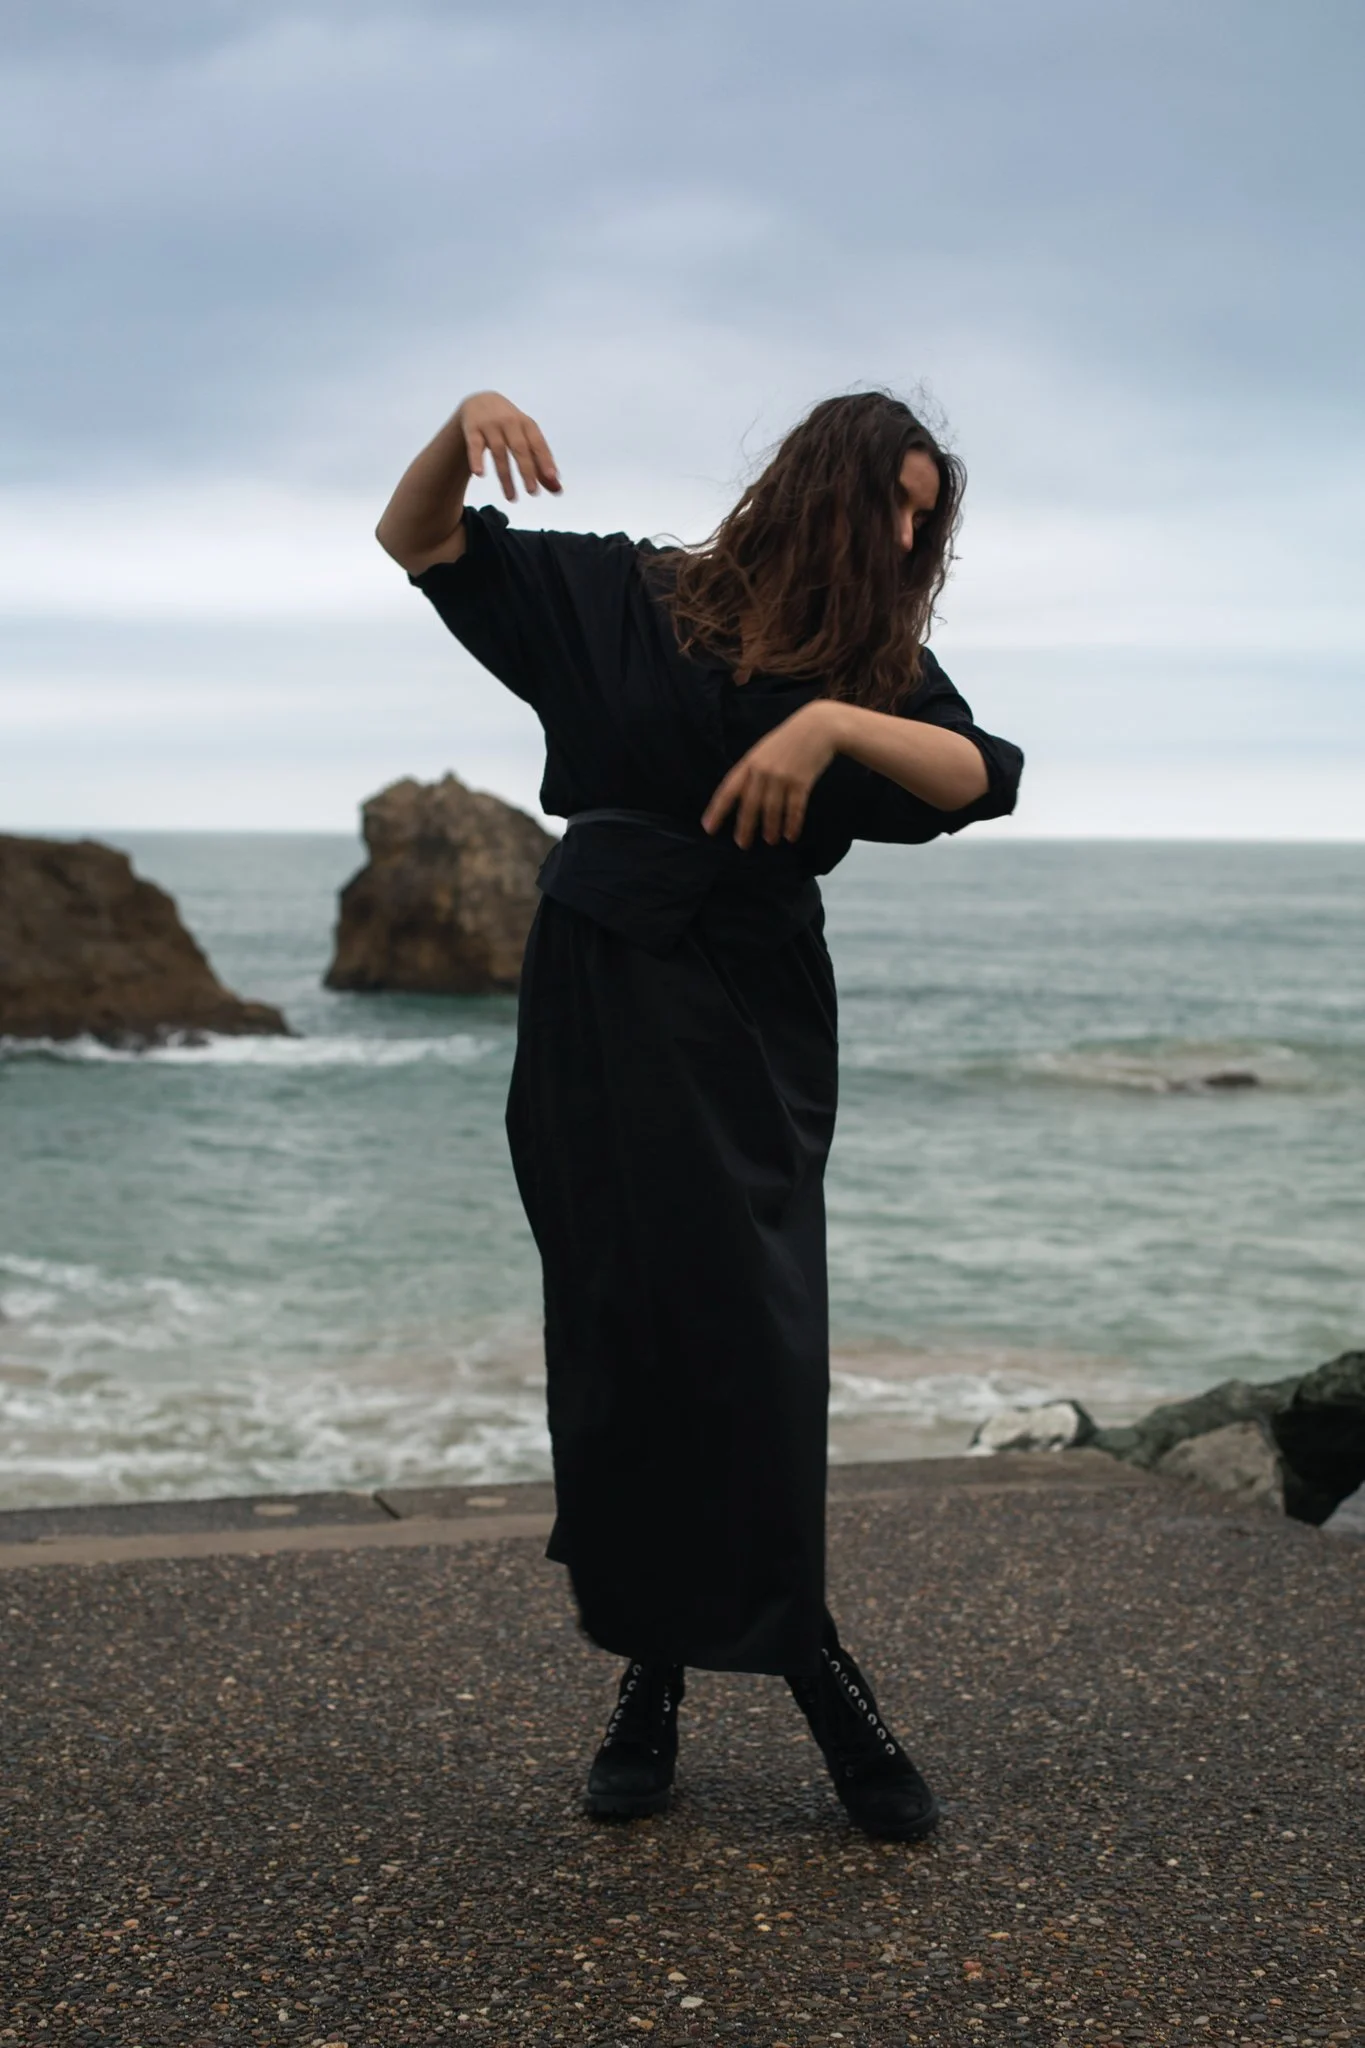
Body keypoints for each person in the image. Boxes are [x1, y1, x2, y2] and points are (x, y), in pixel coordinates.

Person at [376, 387, 1023, 1841]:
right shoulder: (622, 591)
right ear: (820, 482)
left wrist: (835, 724)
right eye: (895, 499)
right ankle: (667, 1679)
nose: (909, 532)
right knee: (633, 1336)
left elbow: (985, 777)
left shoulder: (876, 664)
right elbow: (413, 537)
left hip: (754, 1007)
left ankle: (795, 1663)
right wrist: (457, 421)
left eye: (928, 516)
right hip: (602, 993)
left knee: (755, 1345)